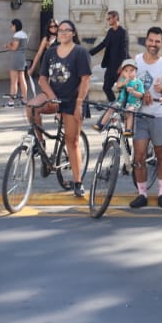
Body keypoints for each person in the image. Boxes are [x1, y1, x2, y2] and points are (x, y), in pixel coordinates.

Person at [33, 20, 92, 198]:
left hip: (74, 99)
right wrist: (51, 97)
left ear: (73, 33)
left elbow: (85, 80)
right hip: (54, 96)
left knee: (71, 141)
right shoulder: (51, 52)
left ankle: (78, 181)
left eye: (67, 30)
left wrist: (79, 104)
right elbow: (42, 79)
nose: (63, 33)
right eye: (60, 30)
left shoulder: (80, 52)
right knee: (31, 108)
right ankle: (41, 144)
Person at [127, 27, 162, 208]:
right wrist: (140, 91)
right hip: (140, 116)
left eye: (157, 41)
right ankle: (142, 194)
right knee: (138, 157)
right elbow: (126, 82)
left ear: (161, 43)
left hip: (158, 115)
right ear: (146, 41)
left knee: (161, 154)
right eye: (151, 40)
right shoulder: (136, 61)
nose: (153, 44)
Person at [87, 10, 129, 106]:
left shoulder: (123, 32)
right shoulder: (110, 32)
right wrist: (88, 53)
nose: (107, 20)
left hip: (119, 67)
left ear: (115, 18)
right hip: (110, 66)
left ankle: (122, 107)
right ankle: (114, 105)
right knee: (106, 87)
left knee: (122, 89)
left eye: (109, 18)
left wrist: (122, 66)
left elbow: (125, 50)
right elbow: (103, 44)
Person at [96, 61, 144, 135]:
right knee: (111, 107)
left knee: (129, 111)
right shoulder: (123, 80)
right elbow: (118, 86)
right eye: (126, 71)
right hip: (121, 101)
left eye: (131, 70)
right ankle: (101, 124)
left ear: (136, 71)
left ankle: (128, 129)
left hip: (133, 102)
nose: (129, 73)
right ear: (123, 72)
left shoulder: (138, 82)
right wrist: (125, 82)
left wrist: (133, 92)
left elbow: (141, 95)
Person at [5, 19, 29, 108]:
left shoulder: (17, 35)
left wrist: (7, 46)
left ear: (15, 26)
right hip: (22, 58)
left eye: (11, 26)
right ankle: (25, 99)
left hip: (15, 58)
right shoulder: (24, 34)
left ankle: (11, 101)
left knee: (14, 81)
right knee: (22, 79)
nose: (11, 27)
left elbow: (14, 48)